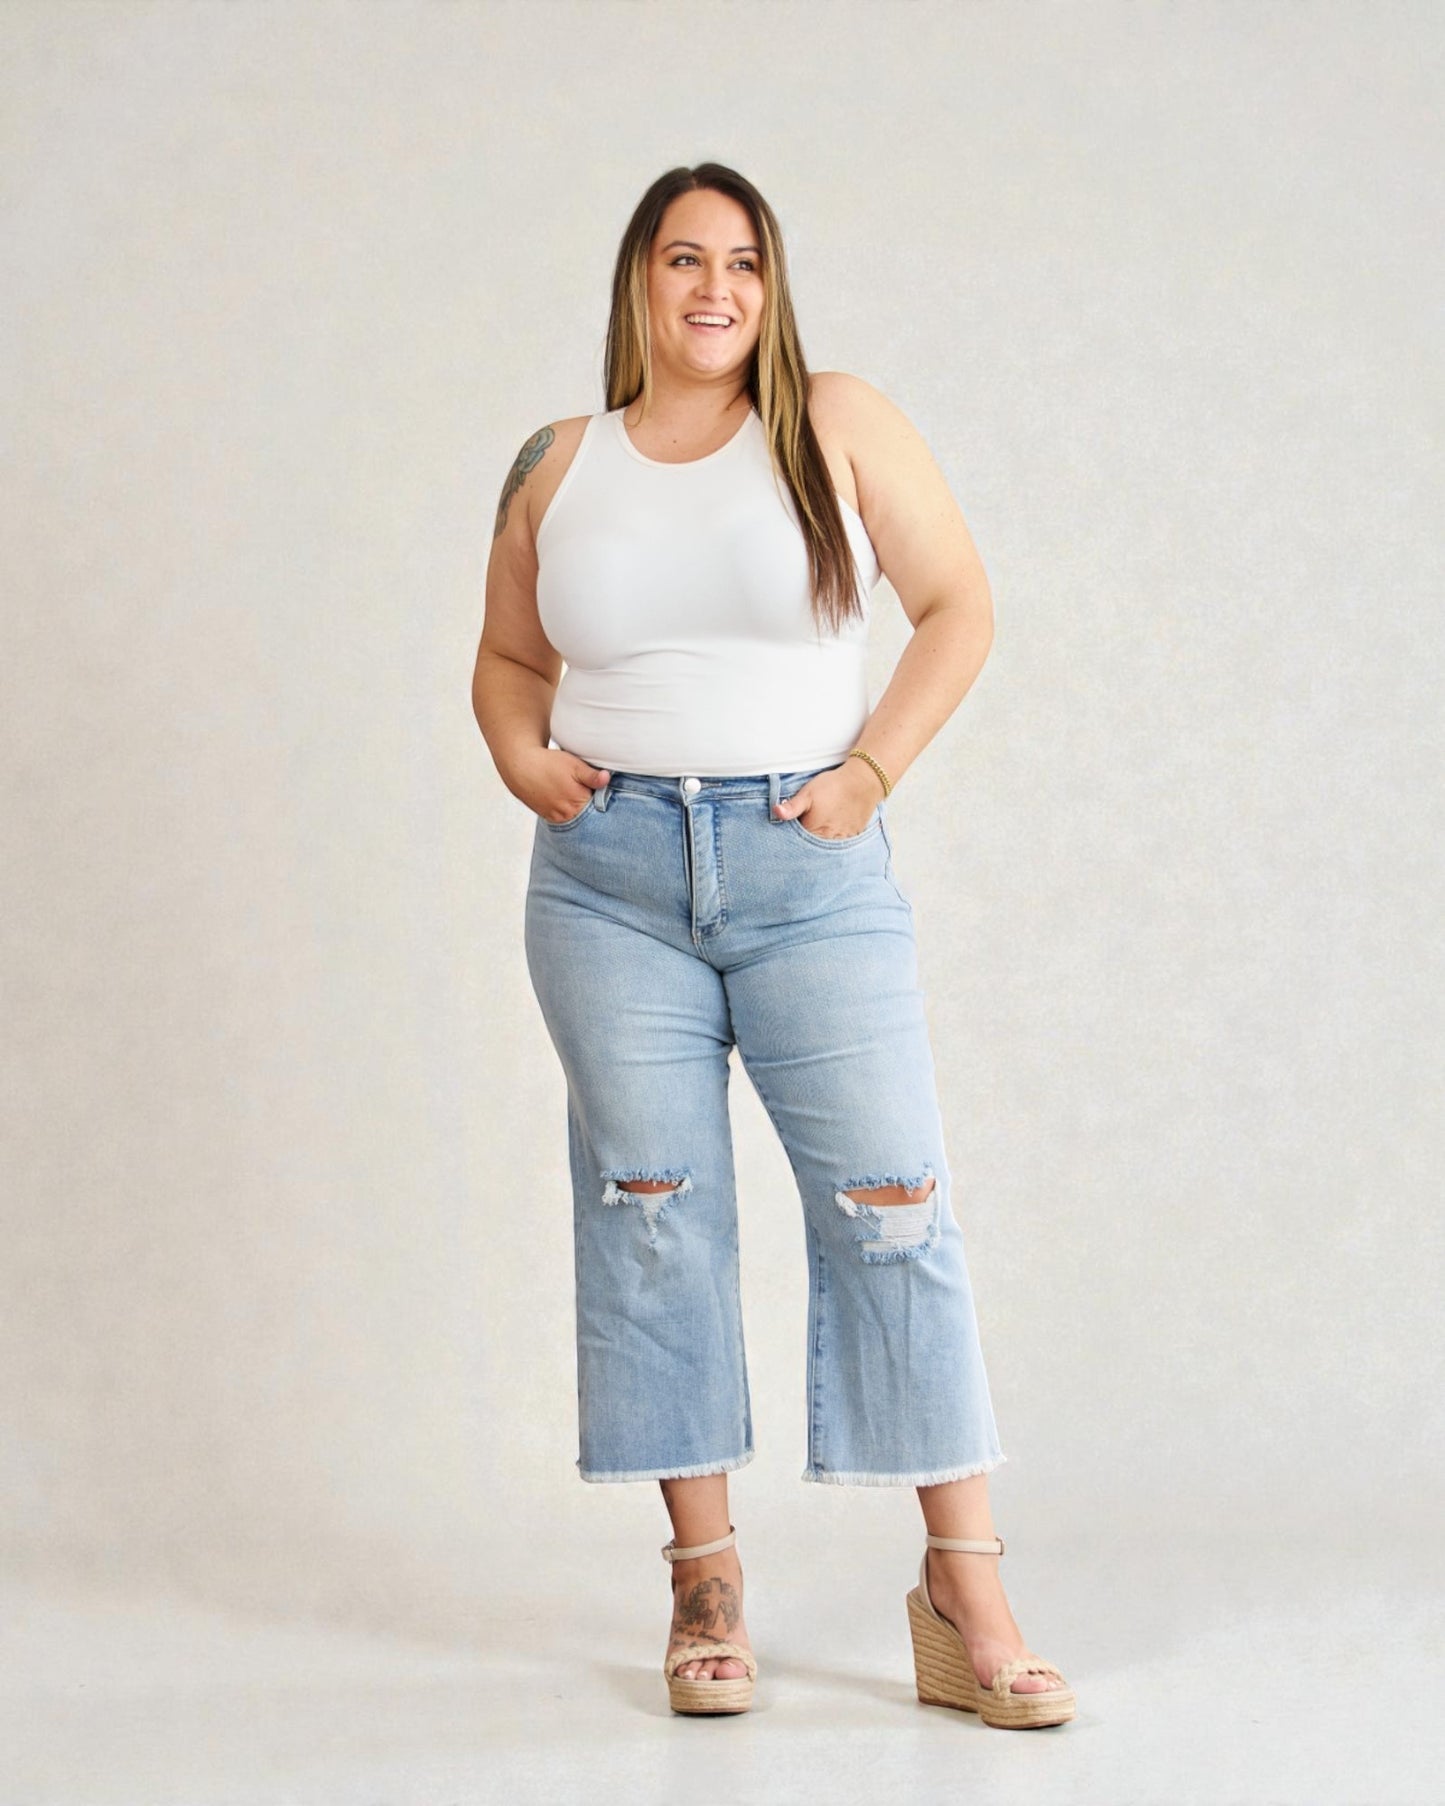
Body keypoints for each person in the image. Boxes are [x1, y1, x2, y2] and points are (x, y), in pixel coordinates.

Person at [471, 163, 1074, 1730]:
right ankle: (706, 1585)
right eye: (683, 259)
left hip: (806, 867)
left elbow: (955, 604)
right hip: (605, 881)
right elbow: (505, 655)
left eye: (741, 260)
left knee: (892, 1203)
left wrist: (867, 771)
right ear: (638, 282)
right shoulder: (557, 460)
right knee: (653, 1213)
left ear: (771, 282)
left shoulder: (836, 421)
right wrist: (518, 754)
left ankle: (966, 1586)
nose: (713, 288)